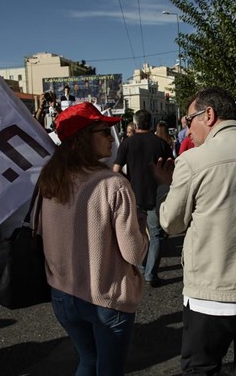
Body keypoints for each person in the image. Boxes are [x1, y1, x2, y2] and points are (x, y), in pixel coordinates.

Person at [151, 87, 236, 375]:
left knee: (200, 367)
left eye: (189, 121)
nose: (187, 131)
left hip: (212, 291)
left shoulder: (194, 161)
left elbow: (171, 223)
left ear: (209, 114)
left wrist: (164, 187)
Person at [38, 102, 149, 375]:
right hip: (106, 296)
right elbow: (134, 253)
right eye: (104, 130)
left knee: (88, 361)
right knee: (109, 369)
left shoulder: (50, 180)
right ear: (83, 139)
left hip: (63, 294)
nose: (112, 136)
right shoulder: (113, 184)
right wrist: (143, 228)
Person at [113, 110, 174, 287]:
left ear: (135, 123)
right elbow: (172, 168)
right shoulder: (161, 144)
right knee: (156, 235)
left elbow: (115, 171)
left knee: (137, 232)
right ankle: (151, 273)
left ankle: (140, 266)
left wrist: (126, 183)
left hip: (134, 195)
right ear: (151, 124)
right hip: (157, 195)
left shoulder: (126, 144)